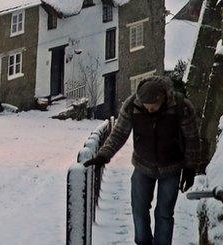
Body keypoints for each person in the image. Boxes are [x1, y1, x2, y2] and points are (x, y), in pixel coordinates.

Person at [84, 75, 201, 245]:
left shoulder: (181, 107)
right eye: (146, 107)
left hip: (171, 167)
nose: (149, 110)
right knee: (139, 209)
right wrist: (103, 155)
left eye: (152, 107)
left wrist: (190, 168)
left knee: (164, 213)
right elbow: (119, 133)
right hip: (142, 165)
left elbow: (192, 138)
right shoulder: (132, 106)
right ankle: (143, 242)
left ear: (162, 99)